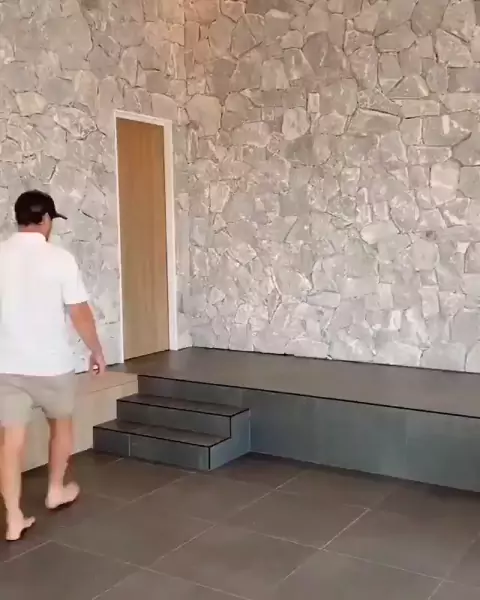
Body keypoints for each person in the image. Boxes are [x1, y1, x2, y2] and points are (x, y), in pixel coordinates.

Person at [0, 190, 106, 542]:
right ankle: (55, 490)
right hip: (51, 365)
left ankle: (13, 518)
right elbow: (79, 313)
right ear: (45, 220)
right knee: (61, 425)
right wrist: (96, 350)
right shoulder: (60, 259)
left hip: (6, 365)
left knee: (10, 441)